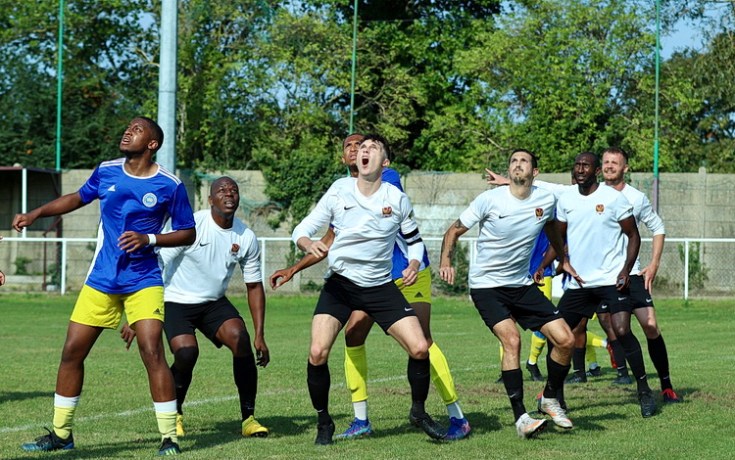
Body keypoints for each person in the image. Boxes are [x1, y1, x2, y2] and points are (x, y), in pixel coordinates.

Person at [14, 117, 196, 455]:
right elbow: (78, 198)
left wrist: (150, 238)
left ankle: (169, 437)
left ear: (152, 143)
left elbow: (189, 231)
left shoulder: (169, 185)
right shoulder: (107, 170)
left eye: (137, 129)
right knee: (71, 352)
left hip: (144, 281)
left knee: (152, 351)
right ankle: (61, 435)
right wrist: (35, 213)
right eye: (127, 127)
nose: (127, 131)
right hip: (101, 280)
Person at [270, 133, 469, 441]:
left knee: (419, 347)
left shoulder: (395, 197)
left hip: (381, 286)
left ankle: (418, 410)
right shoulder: (339, 191)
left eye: (370, 148)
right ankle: (325, 422)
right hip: (341, 285)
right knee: (317, 351)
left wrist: (414, 265)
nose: (362, 151)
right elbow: (304, 229)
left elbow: (415, 243)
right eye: (359, 147)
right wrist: (306, 244)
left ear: (384, 162)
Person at [439, 149, 579, 439]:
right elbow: (453, 231)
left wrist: (561, 258)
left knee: (566, 339)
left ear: (534, 172)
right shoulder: (489, 200)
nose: (517, 165)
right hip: (487, 287)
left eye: (524, 161)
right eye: (514, 161)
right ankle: (521, 418)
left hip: (521, 285)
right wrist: (446, 262)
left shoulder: (545, 200)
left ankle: (549, 397)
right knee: (512, 339)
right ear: (509, 170)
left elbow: (553, 230)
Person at [121, 176, 272, 438]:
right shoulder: (189, 226)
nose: (229, 194)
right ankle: (174, 412)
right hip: (174, 300)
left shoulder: (245, 236)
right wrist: (139, 314)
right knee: (187, 353)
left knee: (240, 337)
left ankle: (248, 418)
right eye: (221, 190)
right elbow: (156, 266)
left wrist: (260, 334)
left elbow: (254, 287)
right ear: (210, 199)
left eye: (233, 190)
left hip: (213, 302)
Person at [536, 152, 657, 418]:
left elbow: (634, 235)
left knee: (622, 330)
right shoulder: (567, 199)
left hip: (611, 281)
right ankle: (554, 396)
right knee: (558, 335)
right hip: (580, 285)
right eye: (577, 165)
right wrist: (544, 265)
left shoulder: (614, 198)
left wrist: (626, 269)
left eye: (586, 165)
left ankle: (644, 391)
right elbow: (559, 238)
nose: (580, 169)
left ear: (596, 172)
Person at [596, 147, 681, 403]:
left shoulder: (636, 198)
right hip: (599, 278)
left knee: (651, 326)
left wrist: (653, 264)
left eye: (615, 162)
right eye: (606, 162)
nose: (609, 166)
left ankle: (665, 385)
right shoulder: (590, 194)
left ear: (625, 168)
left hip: (631, 274)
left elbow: (658, 227)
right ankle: (553, 393)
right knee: (577, 328)